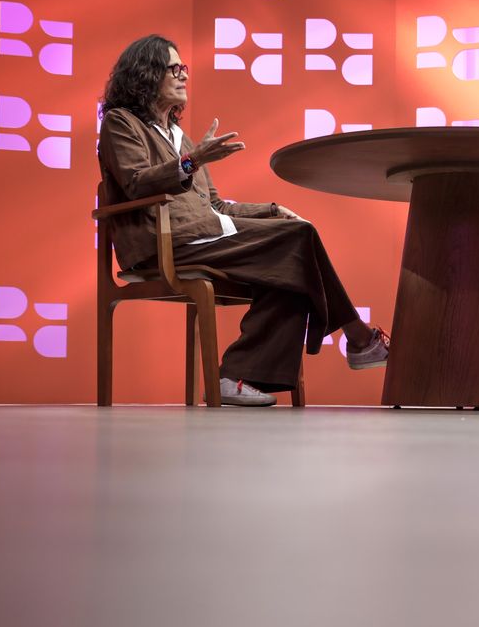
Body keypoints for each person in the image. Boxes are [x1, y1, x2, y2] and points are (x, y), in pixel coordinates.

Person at [97, 34, 389, 407]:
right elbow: (136, 183)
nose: (184, 75)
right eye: (174, 68)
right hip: (165, 242)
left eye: (184, 68)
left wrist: (271, 210)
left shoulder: (181, 138)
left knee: (294, 262)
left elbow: (215, 205)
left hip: (206, 234)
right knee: (299, 240)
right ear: (146, 74)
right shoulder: (121, 123)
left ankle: (235, 376)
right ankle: (358, 337)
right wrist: (192, 161)